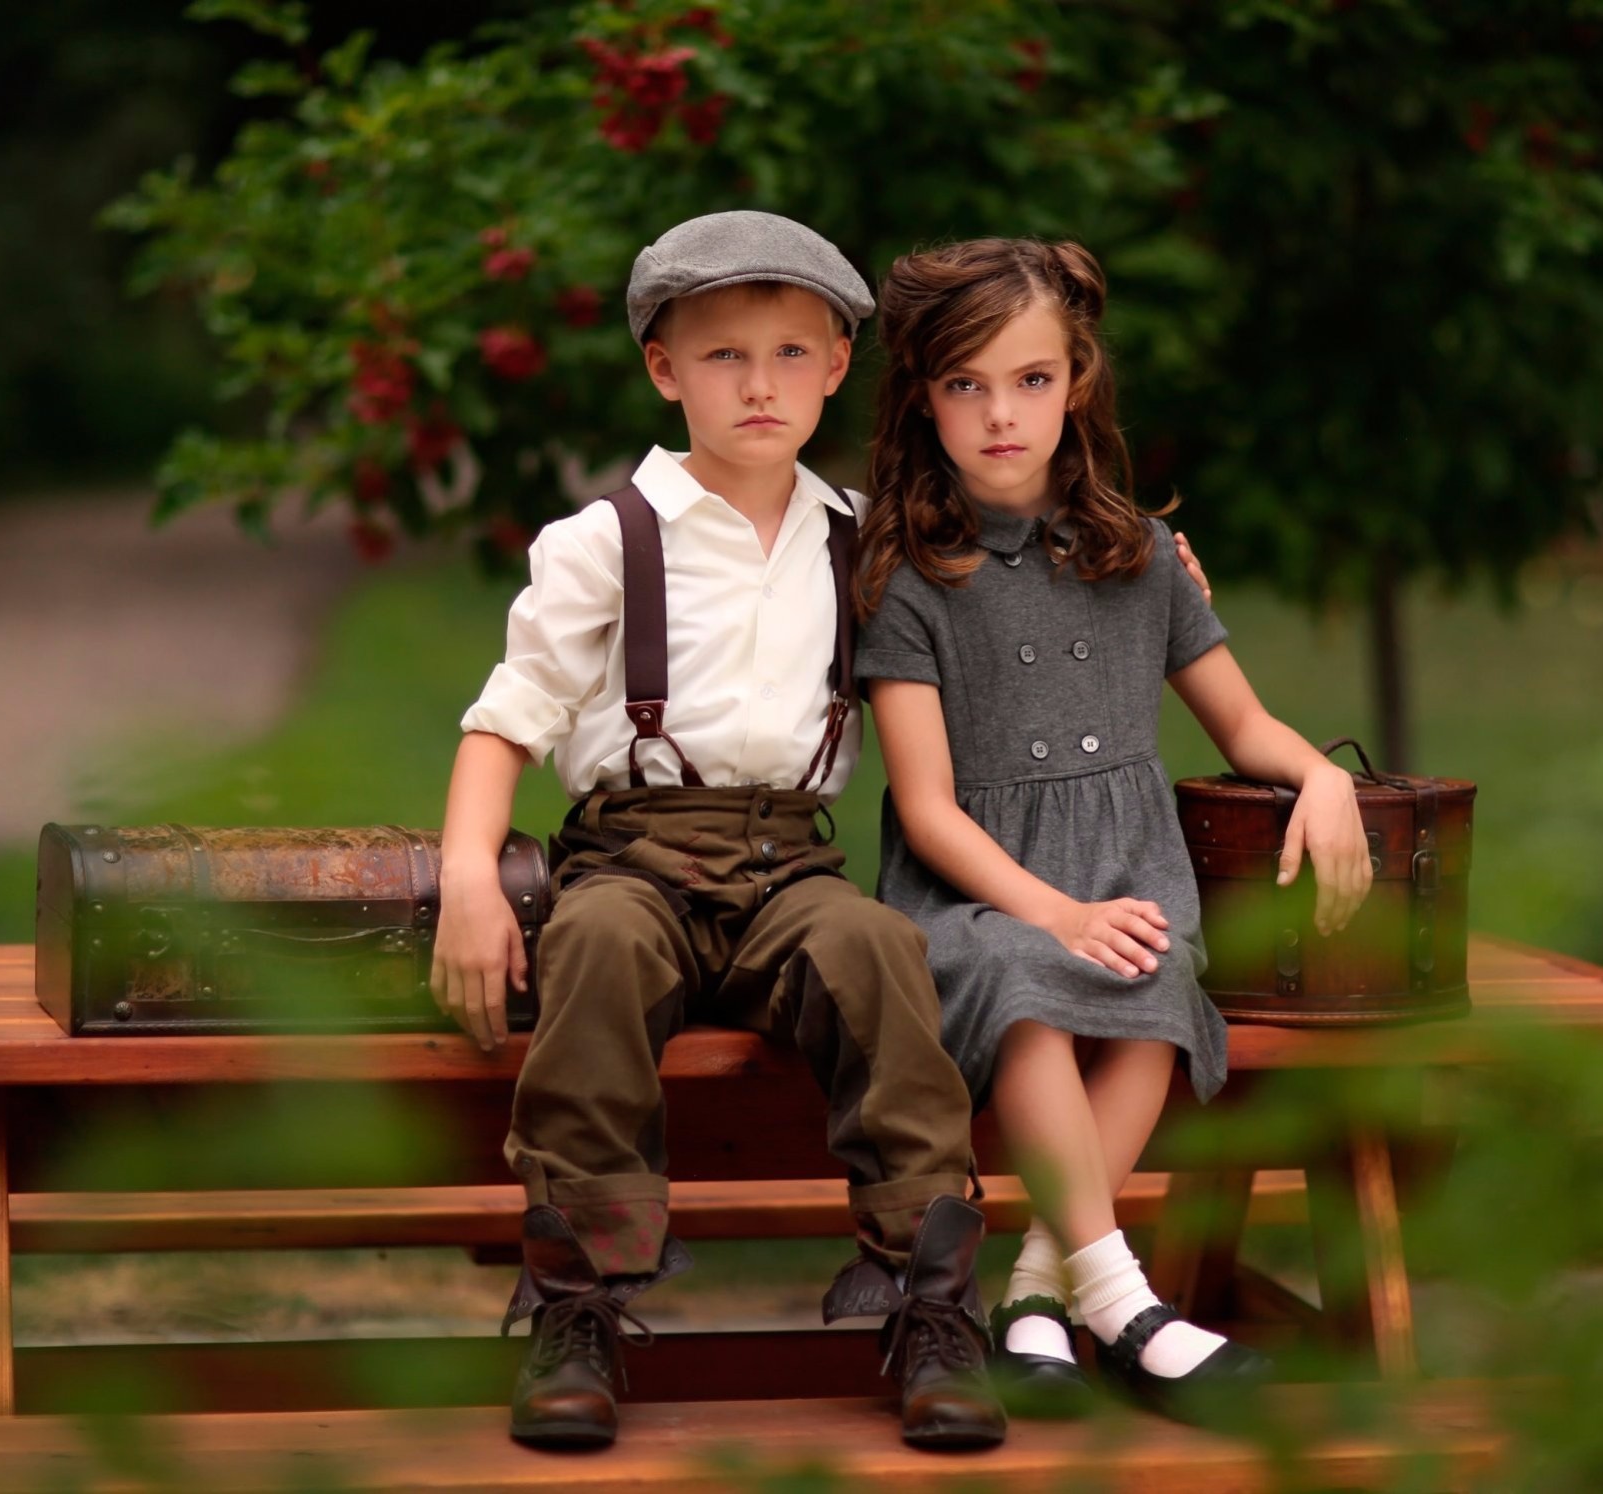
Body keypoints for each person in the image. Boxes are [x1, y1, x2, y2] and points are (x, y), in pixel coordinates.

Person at [432, 211, 1005, 1452]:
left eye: (794, 354)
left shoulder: (864, 536)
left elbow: (1022, 566)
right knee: (592, 949)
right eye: (724, 356)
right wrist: (470, 878)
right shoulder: (606, 542)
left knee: (875, 951)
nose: (760, 385)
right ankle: (581, 1302)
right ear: (663, 368)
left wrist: (1158, 568)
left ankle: (931, 1300)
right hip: (632, 851)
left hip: (790, 858)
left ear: (840, 366)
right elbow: (506, 719)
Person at [854, 238, 1374, 1422]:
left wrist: (1324, 779)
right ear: (923, 394)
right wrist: (1054, 913)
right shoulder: (907, 575)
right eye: (965, 385)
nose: (1001, 415)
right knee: (1036, 985)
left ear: (1077, 381)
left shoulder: (1141, 554)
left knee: (1150, 984)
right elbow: (926, 807)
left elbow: (1241, 724)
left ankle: (1037, 1293)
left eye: (1031, 381)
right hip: (977, 895)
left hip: (1128, 868)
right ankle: (1128, 1307)